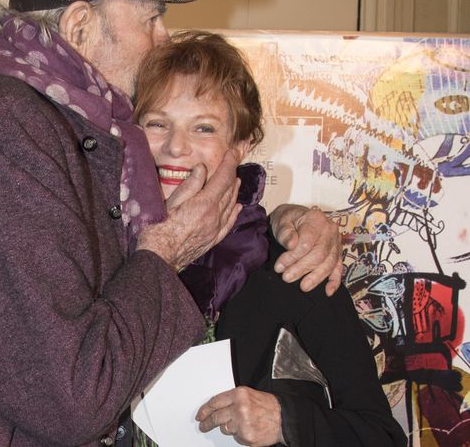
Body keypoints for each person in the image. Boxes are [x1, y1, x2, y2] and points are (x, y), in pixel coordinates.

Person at [0, 0, 339, 446]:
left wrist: (290, 220)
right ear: (80, 25)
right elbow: (74, 398)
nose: (163, 38)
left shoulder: (58, 129)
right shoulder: (1, 131)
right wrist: (165, 251)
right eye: (151, 18)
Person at [135, 30, 407, 447]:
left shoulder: (294, 267)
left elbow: (382, 436)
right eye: (157, 123)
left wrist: (287, 421)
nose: (175, 147)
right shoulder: (105, 259)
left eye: (203, 128)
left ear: (242, 144)